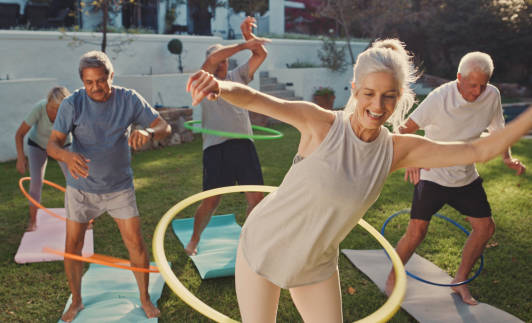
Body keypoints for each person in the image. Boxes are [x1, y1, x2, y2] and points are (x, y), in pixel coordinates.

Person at [185, 39, 532, 322]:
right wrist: (219, 86)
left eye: (388, 96)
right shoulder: (320, 124)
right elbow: (257, 99)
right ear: (354, 89)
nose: (378, 106)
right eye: (368, 93)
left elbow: (478, 149)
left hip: (316, 263)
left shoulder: (399, 151)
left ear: (400, 98)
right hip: (263, 246)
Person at [385, 52, 526, 305]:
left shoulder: (491, 95)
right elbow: (404, 130)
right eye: (473, 85)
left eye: (483, 85)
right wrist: (414, 159)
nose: (478, 91)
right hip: (433, 176)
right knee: (417, 232)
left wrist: (507, 157)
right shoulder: (440, 98)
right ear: (459, 78)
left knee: (485, 228)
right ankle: (392, 280)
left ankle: (459, 280)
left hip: (465, 177)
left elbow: (499, 130)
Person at [47, 50, 171, 322]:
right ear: (82, 81)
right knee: (73, 247)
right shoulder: (72, 104)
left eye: (101, 81)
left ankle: (144, 298)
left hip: (118, 187)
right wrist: (67, 156)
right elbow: (52, 144)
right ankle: (77, 301)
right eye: (89, 82)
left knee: (136, 245)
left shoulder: (129, 99)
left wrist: (149, 132)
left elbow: (165, 126)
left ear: (111, 76)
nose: (95, 88)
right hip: (81, 187)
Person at [184, 16, 271, 256]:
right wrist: (244, 46)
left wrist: (248, 37)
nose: (223, 65)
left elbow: (260, 55)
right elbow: (212, 59)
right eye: (220, 62)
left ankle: (249, 242)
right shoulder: (203, 80)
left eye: (226, 61)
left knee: (256, 198)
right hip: (216, 147)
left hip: (243, 144)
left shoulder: (237, 77)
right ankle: (193, 240)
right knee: (211, 200)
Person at [15, 86, 71, 231]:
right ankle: (32, 221)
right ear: (47, 103)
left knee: (74, 182)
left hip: (62, 145)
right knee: (35, 183)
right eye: (52, 107)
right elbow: (19, 134)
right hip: (37, 145)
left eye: (59, 109)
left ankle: (81, 219)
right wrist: (21, 158)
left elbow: (82, 133)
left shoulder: (70, 113)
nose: (55, 112)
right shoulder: (39, 108)